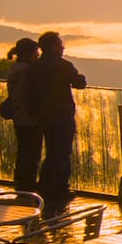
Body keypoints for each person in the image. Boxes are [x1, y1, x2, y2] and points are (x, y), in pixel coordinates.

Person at [25, 31, 88, 215]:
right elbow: (79, 83)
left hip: (43, 116)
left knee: (52, 151)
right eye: (61, 44)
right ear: (53, 46)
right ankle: (59, 188)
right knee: (62, 153)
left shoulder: (34, 68)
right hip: (62, 116)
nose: (63, 47)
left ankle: (44, 186)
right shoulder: (63, 66)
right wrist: (81, 77)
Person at [0, 37, 41, 196]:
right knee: (31, 153)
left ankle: (22, 183)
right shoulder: (27, 72)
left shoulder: (15, 70)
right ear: (28, 53)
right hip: (30, 117)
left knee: (24, 151)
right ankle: (28, 185)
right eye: (35, 53)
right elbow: (30, 95)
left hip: (19, 116)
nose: (37, 57)